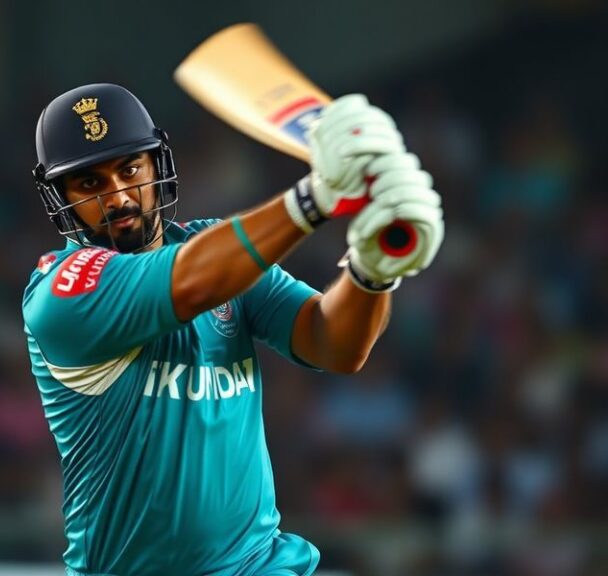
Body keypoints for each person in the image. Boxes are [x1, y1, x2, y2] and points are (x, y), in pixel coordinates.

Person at [23, 83, 443, 576]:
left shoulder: (220, 252)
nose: (118, 197)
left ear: (158, 166)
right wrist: (317, 198)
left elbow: (333, 344)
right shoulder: (63, 293)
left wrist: (370, 272)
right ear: (61, 198)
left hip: (261, 565)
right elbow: (190, 283)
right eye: (89, 185)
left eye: (129, 169)